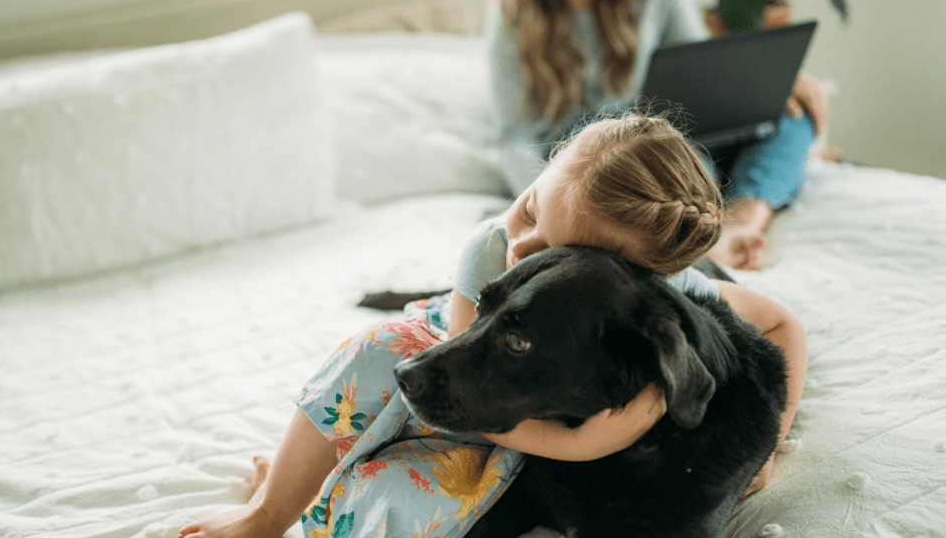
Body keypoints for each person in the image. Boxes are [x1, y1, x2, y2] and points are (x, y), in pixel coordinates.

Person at [177, 114, 807, 538]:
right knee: (373, 357)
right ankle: (268, 511)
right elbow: (456, 353)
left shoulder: (658, 297)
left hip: (518, 373)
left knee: (446, 482)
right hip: (461, 342)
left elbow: (780, 327)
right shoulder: (492, 247)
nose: (519, 242)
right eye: (531, 206)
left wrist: (767, 449)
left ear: (625, 276)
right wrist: (583, 444)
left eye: (546, 255)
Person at [489, 0, 830, 271]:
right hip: (597, 153)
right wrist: (545, 197)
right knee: (656, 142)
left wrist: (768, 82)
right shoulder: (513, 10)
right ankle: (702, 226)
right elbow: (514, 136)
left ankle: (741, 223)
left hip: (674, 125)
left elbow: (700, 74)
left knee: (792, 115)